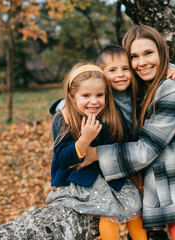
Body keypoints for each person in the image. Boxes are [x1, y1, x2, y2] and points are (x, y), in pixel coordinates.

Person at [78, 25, 175, 240]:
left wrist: (93, 154)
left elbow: (145, 150)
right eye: (134, 56)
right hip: (166, 198)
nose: (141, 62)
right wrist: (66, 106)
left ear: (161, 52)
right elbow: (94, 82)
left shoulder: (172, 91)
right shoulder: (144, 89)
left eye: (148, 53)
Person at [45, 63, 147, 240]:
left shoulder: (110, 114)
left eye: (100, 95)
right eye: (86, 95)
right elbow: (62, 158)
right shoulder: (64, 120)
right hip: (78, 179)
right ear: (72, 96)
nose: (94, 101)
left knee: (135, 203)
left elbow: (120, 146)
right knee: (108, 209)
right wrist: (84, 140)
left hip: (107, 175)